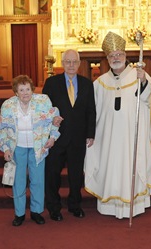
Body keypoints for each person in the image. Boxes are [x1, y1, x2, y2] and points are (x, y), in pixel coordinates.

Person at [84, 31, 151, 219]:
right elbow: (91, 111)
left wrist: (144, 82)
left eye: (119, 54)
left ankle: (133, 204)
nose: (116, 58)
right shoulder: (100, 83)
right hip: (108, 139)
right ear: (107, 58)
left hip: (130, 136)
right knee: (109, 165)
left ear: (126, 56)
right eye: (112, 55)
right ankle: (109, 205)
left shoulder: (138, 76)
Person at [0, 74, 62, 226]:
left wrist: (52, 138)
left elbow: (55, 119)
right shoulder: (7, 105)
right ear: (16, 92)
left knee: (38, 181)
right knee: (18, 181)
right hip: (17, 148)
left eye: (28, 89)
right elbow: (3, 130)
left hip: (37, 147)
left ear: (32, 90)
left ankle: (36, 212)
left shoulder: (43, 101)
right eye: (21, 90)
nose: (25, 93)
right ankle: (19, 214)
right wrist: (5, 148)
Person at [42, 49, 96, 221]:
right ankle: (54, 207)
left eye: (74, 62)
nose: (71, 65)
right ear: (63, 63)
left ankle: (74, 205)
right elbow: (43, 110)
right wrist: (50, 122)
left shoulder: (87, 84)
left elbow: (91, 111)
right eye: (68, 62)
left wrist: (90, 133)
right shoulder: (51, 83)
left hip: (78, 138)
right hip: (55, 138)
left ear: (79, 64)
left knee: (75, 175)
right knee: (52, 174)